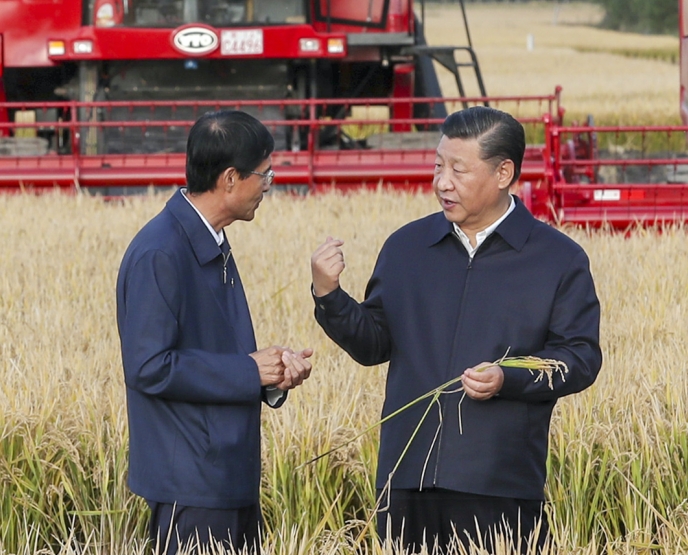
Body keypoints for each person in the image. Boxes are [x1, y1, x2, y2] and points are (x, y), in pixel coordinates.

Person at [310, 106, 602, 553]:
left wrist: (507, 377)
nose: (442, 182)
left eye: (458, 170)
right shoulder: (407, 247)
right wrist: (329, 295)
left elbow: (579, 357)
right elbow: (373, 344)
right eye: (438, 166)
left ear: (503, 173)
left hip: (498, 484)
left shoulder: (557, 259)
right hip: (406, 478)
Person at [116, 110, 313, 554]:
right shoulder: (160, 252)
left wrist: (271, 375)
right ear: (229, 179)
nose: (268, 185)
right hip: (192, 484)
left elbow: (211, 351)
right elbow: (148, 366)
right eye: (264, 174)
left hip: (224, 475)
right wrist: (248, 371)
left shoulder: (208, 239)